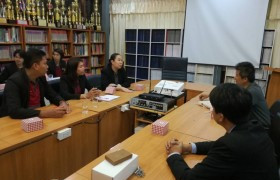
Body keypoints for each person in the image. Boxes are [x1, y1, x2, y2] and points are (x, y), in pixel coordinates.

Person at [166, 83, 279, 180]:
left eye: (213, 108)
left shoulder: (230, 146)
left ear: (220, 117)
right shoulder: (252, 126)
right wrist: (188, 147)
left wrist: (174, 154)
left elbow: (189, 178)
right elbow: (218, 146)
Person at [0, 48, 70, 119]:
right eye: (45, 63)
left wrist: (61, 102)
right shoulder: (13, 82)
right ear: (35, 66)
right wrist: (44, 113)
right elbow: (14, 111)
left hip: (38, 117)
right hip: (18, 121)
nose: (47, 66)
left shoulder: (40, 77)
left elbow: (52, 94)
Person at [199, 61, 270, 129]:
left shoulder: (252, 92)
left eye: (237, 75)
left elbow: (234, 106)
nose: (234, 78)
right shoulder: (247, 87)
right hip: (252, 124)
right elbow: (230, 94)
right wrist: (210, 95)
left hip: (260, 128)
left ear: (245, 79)